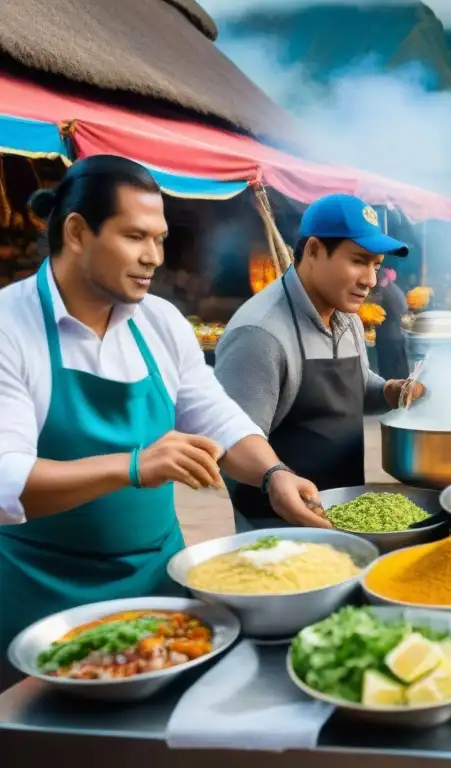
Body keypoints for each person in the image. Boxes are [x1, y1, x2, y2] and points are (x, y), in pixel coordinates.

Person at [0, 156, 324, 670]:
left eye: (160, 238)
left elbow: (216, 415)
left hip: (159, 591)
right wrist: (133, 465)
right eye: (135, 237)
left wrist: (273, 474)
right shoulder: (9, 327)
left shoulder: (161, 322)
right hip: (44, 603)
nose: (153, 257)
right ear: (78, 232)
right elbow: (6, 482)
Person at [214, 194, 425, 531]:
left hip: (343, 512)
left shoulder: (347, 316)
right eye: (358, 260)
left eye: (376, 264)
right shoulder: (260, 333)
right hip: (277, 525)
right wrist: (275, 478)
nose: (370, 279)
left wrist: (390, 390)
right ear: (313, 251)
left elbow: (355, 383)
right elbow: (230, 440)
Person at [373, 267, 410, 380]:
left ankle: (390, 394)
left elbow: (376, 311)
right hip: (398, 335)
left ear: (381, 279)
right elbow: (404, 309)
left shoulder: (383, 292)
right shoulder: (396, 290)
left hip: (387, 337)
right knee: (401, 370)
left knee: (388, 372)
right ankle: (404, 393)